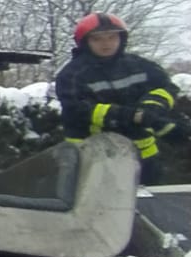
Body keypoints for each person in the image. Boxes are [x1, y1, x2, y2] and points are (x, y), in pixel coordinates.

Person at [54, 12, 182, 186]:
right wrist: (131, 116)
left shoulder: (140, 65)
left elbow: (166, 88)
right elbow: (78, 110)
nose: (106, 43)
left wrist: (152, 108)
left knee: (149, 200)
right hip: (92, 157)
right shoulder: (71, 75)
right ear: (84, 42)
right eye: (97, 39)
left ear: (122, 38)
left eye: (112, 37)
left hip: (144, 157)